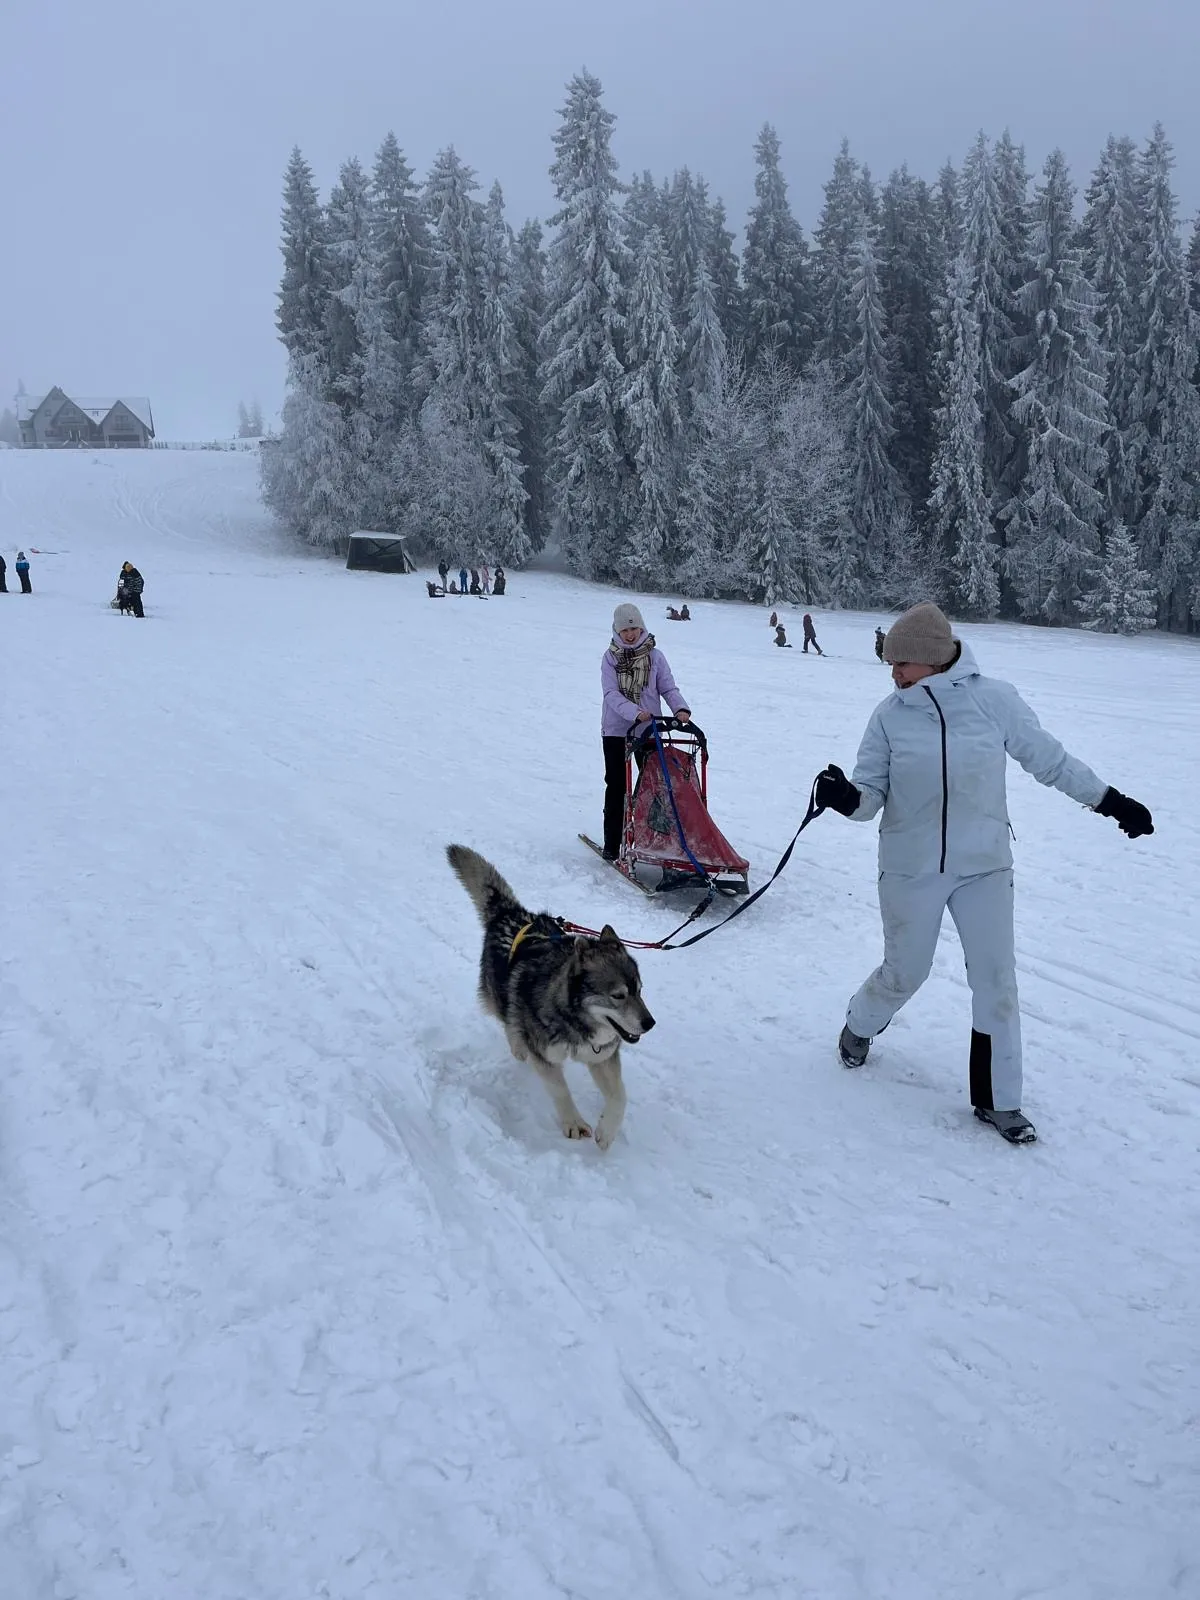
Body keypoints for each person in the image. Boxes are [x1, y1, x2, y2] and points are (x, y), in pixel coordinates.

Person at [814, 602, 1154, 1145]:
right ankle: (860, 1023)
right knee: (906, 972)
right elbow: (870, 794)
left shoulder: (994, 700)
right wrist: (847, 798)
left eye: (901, 663)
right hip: (910, 868)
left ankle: (999, 1100)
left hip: (985, 866)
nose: (893, 673)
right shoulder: (889, 716)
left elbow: (1051, 761)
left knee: (996, 982)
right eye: (891, 664)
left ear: (932, 658)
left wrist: (1111, 802)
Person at [601, 602, 691, 860]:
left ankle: (652, 840)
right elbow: (611, 694)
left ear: (642, 627)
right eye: (625, 630)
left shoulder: (655, 656)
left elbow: (668, 688)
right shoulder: (610, 658)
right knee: (617, 785)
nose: (630, 634)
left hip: (649, 730)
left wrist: (680, 709)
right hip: (617, 731)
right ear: (617, 631)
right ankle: (612, 842)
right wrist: (635, 712)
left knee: (654, 786)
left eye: (634, 628)